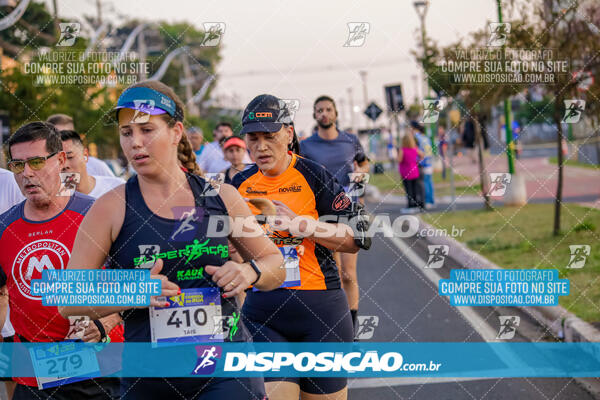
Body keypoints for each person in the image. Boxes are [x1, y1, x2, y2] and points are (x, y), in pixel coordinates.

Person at [59, 80, 284, 399]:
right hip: (149, 378)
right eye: (126, 133)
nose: (135, 143)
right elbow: (67, 300)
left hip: (225, 372)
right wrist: (133, 292)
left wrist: (248, 272)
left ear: (176, 131)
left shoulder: (219, 197)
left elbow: (275, 265)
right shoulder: (111, 207)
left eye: (147, 130)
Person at [233, 94, 368, 400]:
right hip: (262, 316)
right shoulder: (237, 185)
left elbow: (358, 237)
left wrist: (301, 225)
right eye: (253, 138)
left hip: (321, 315)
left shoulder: (314, 175)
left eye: (270, 136)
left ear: (289, 134)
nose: (261, 146)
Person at [0, 122, 122, 399]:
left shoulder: (96, 215)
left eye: (36, 162)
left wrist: (110, 320)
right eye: (18, 166)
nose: (27, 173)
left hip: (101, 372)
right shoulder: (4, 228)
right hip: (35, 377)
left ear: (61, 161)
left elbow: (139, 283)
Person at [299, 95, 369, 330]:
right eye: (319, 110)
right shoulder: (306, 145)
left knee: (349, 274)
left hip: (349, 210)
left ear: (336, 113)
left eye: (328, 109)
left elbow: (365, 163)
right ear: (314, 115)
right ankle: (335, 325)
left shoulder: (350, 140)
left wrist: (361, 176)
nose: (324, 114)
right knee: (333, 273)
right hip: (320, 214)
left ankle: (352, 326)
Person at [60, 130, 125, 198]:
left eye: (70, 157)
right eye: (59, 160)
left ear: (85, 155)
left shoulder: (117, 188)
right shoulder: (55, 200)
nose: (64, 165)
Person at [46, 114, 115, 177]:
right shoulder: (47, 173)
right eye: (59, 136)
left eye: (69, 134)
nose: (65, 140)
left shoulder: (97, 167)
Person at [411, 121, 434, 209]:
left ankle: (427, 201)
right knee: (429, 182)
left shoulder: (417, 138)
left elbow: (416, 150)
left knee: (423, 183)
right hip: (429, 162)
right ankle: (431, 200)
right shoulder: (426, 138)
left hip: (422, 163)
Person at [398, 132, 423, 212]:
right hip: (414, 171)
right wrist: (417, 161)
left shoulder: (402, 150)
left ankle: (410, 205)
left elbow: (399, 160)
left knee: (408, 190)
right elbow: (422, 155)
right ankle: (416, 205)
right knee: (415, 189)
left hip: (406, 172)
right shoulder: (415, 148)